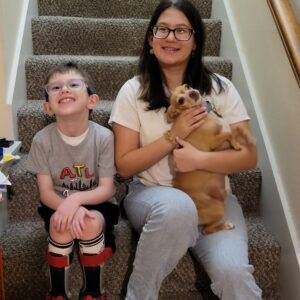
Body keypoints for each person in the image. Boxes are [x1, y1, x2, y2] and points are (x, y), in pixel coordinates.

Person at [109, 0, 262, 299]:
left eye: (182, 31)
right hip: (153, 196)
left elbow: (249, 156)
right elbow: (124, 166)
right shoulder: (132, 91)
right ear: (151, 40)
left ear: (195, 42)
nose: (170, 37)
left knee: (234, 274)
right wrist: (172, 136)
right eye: (163, 29)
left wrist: (199, 159)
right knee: (177, 208)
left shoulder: (222, 89)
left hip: (214, 199)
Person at [26, 62, 119, 300]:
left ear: (92, 101)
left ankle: (94, 292)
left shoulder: (105, 138)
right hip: (58, 202)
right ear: (47, 107)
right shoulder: (42, 140)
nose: (64, 89)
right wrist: (67, 207)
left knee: (90, 222)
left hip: (98, 201)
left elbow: (107, 189)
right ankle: (58, 293)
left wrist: (76, 201)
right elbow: (45, 193)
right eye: (56, 87)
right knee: (60, 223)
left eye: (74, 85)